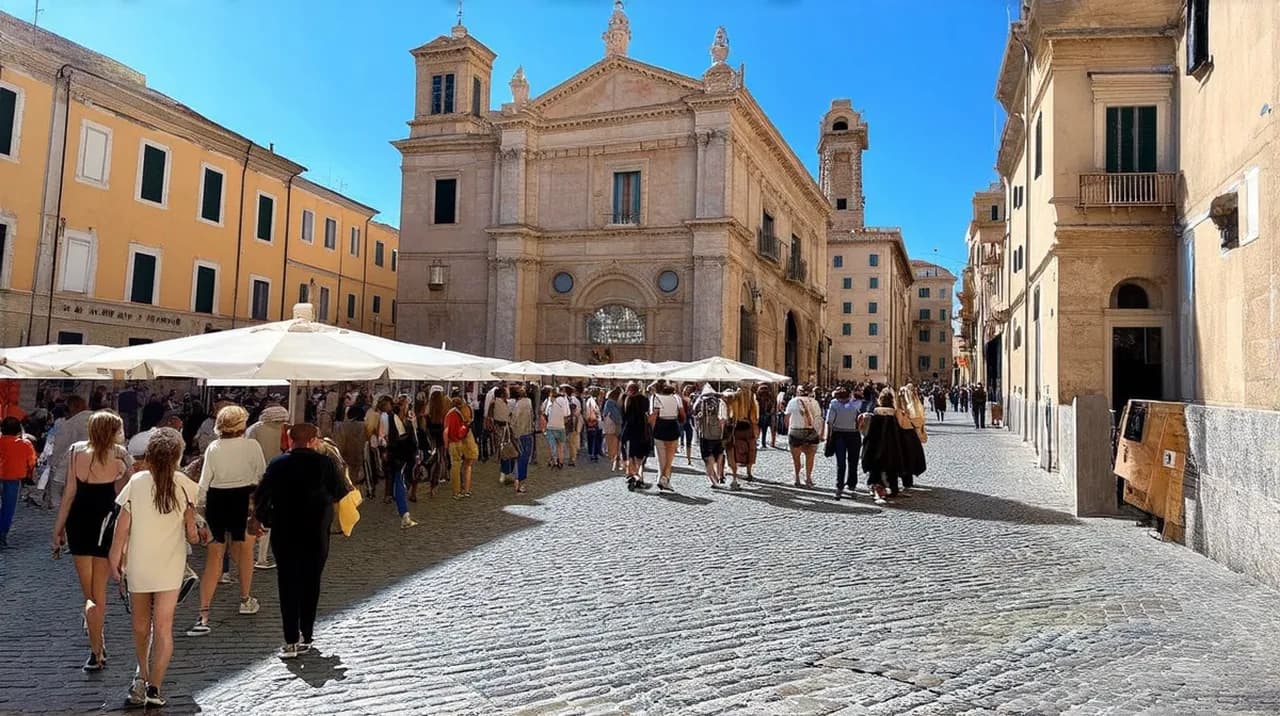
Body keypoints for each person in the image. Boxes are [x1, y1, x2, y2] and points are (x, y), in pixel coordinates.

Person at [109, 427, 201, 708]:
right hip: (170, 564)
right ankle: (155, 687)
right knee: (164, 627)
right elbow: (192, 536)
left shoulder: (136, 482)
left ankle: (142, 674)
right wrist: (193, 526)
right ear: (177, 456)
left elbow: (121, 528)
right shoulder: (186, 485)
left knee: (140, 626)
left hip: (139, 563)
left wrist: (114, 560)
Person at [247, 423, 348, 659]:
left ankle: (291, 639)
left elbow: (263, 494)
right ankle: (308, 634)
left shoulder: (278, 463)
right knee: (311, 581)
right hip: (316, 530)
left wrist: (258, 518)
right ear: (313, 440)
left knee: (287, 582)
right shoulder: (325, 463)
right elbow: (340, 491)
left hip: (286, 530)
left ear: (291, 440)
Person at [52, 411, 131, 671]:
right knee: (99, 593)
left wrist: (57, 530)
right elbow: (126, 494)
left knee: (89, 595)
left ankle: (97, 648)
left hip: (78, 523)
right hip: (106, 523)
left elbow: (69, 495)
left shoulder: (77, 452)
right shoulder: (119, 455)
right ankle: (97, 647)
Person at [187, 406, 266, 637]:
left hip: (217, 500)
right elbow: (262, 475)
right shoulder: (252, 445)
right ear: (242, 424)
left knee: (214, 559)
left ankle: (203, 614)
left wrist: (200, 510)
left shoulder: (213, 447)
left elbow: (204, 483)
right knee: (246, 552)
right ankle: (245, 599)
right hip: (245, 499)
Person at [247, 404, 288, 569]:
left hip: (255, 477)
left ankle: (249, 553)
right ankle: (262, 557)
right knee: (269, 516)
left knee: (254, 514)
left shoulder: (254, 429)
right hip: (278, 476)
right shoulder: (286, 429)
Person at [41, 395, 90, 509]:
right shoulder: (96, 419)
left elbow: (60, 446)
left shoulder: (70, 423)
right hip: (90, 468)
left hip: (68, 464)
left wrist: (53, 464)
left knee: (58, 498)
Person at [860, 388, 904, 506]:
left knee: (876, 469)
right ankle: (894, 488)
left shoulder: (874, 413)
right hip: (892, 446)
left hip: (875, 445)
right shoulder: (895, 414)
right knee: (892, 469)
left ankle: (876, 487)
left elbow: (867, 432)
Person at [0, 416, 37, 547]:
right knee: (8, 508)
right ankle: (2, 536)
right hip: (13, 479)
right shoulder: (25, 444)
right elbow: (32, 462)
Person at [384, 395, 419, 527]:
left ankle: (404, 513)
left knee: (400, 482)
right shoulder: (396, 420)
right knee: (401, 483)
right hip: (401, 456)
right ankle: (404, 515)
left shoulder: (394, 418)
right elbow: (408, 439)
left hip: (398, 455)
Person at [825, 386, 862, 501]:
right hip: (854, 435)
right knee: (853, 461)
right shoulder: (856, 404)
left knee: (841, 462)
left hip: (839, 434)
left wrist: (828, 438)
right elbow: (860, 420)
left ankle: (840, 485)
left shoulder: (834, 404)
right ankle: (851, 484)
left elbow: (830, 422)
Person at [784, 385, 824, 488]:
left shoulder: (793, 401)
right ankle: (808, 478)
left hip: (796, 431)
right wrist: (820, 433)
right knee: (810, 457)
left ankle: (797, 478)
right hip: (811, 431)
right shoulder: (814, 402)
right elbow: (819, 418)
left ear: (798, 392)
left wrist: (789, 430)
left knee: (796, 458)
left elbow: (787, 418)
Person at [691, 384, 729, 489]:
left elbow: (693, 414)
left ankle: (713, 480)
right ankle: (720, 475)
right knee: (720, 454)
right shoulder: (720, 402)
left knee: (708, 458)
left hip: (705, 434)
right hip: (718, 435)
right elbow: (723, 420)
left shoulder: (700, 402)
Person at [649, 381, 684, 492]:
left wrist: (652, 429)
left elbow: (654, 415)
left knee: (661, 457)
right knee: (669, 458)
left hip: (660, 426)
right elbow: (682, 413)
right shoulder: (676, 398)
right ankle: (664, 479)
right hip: (672, 425)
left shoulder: (655, 398)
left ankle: (663, 479)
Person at [444, 396, 478, 499]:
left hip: (454, 441)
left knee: (455, 465)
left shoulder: (450, 414)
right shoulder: (464, 411)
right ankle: (466, 489)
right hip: (464, 437)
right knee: (467, 464)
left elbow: (446, 430)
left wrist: (446, 445)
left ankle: (456, 492)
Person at [620, 382, 651, 491]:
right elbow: (647, 413)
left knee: (631, 456)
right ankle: (639, 477)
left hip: (629, 430)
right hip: (642, 430)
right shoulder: (645, 399)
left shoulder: (626, 399)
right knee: (640, 457)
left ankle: (634, 475)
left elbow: (623, 416)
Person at [726, 386, 759, 482]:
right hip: (749, 427)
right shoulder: (751, 398)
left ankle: (734, 471)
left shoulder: (735, 397)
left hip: (737, 427)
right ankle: (749, 473)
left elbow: (730, 412)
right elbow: (755, 416)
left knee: (736, 449)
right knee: (751, 449)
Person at [422, 387, 449, 498]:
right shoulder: (444, 412)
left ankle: (432, 481)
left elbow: (425, 428)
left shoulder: (428, 413)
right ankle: (438, 479)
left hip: (431, 439)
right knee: (440, 459)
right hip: (441, 438)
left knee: (432, 460)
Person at [510, 385, 534, 494]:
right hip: (527, 433)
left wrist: (513, 431)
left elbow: (514, 420)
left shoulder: (519, 405)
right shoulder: (528, 403)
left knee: (520, 458)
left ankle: (518, 481)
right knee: (524, 459)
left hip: (519, 434)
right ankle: (520, 482)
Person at [491, 386, 515, 483]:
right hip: (505, 430)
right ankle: (506, 473)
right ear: (502, 394)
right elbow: (508, 416)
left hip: (499, 429)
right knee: (508, 451)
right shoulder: (502, 403)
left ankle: (505, 472)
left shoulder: (495, 403)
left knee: (504, 452)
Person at [542, 388, 570, 469]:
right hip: (561, 426)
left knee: (552, 446)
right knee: (560, 446)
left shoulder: (549, 400)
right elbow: (567, 413)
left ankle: (553, 461)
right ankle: (560, 462)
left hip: (550, 427)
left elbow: (545, 413)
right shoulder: (564, 400)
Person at [601, 387, 624, 472]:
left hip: (612, 426)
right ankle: (616, 463)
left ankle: (615, 463)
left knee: (612, 446)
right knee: (618, 446)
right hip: (617, 426)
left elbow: (609, 414)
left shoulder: (609, 402)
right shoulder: (619, 403)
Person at [584, 387, 604, 464]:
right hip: (592, 422)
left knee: (596, 438)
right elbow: (588, 412)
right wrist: (590, 420)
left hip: (596, 422)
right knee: (592, 438)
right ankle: (592, 454)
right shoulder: (590, 401)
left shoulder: (596, 400)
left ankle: (595, 453)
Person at [756, 384, 775, 449]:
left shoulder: (758, 397)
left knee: (759, 430)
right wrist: (769, 413)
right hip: (765, 416)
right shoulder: (769, 397)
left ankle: (759, 442)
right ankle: (763, 443)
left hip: (761, 415)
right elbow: (771, 406)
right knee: (764, 430)